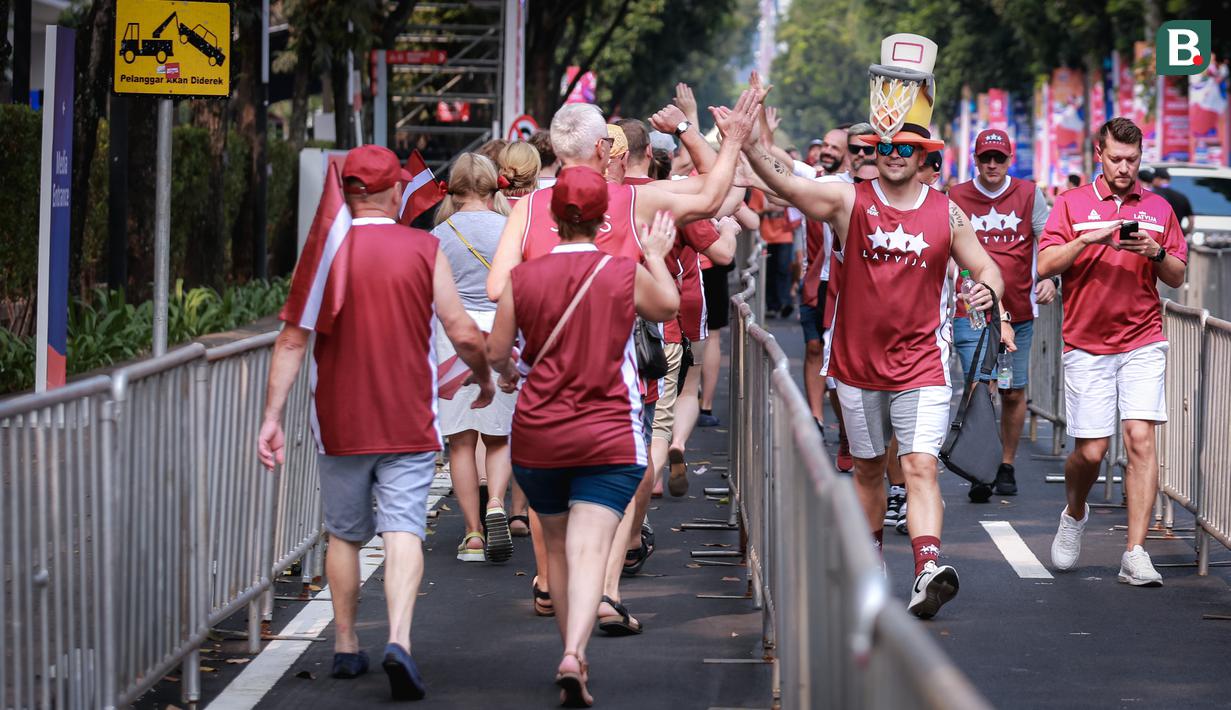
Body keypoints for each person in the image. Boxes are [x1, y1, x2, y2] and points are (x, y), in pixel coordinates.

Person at [737, 79, 1008, 618]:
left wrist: (987, 288)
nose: (890, 155)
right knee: (865, 469)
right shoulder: (847, 199)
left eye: (903, 147)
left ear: (922, 154)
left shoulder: (946, 212)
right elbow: (788, 188)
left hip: (924, 364)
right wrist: (747, 144)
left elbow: (988, 266)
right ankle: (872, 563)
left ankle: (927, 567)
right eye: (882, 147)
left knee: (919, 466)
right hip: (857, 365)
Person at [488, 97, 755, 633]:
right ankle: (604, 594)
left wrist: (544, 286)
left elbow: (498, 287)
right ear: (602, 148)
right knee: (609, 486)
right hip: (616, 370)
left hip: (544, 373)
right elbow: (712, 195)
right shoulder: (633, 201)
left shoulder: (531, 208)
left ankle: (546, 582)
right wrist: (729, 140)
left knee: (549, 495)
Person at [258, 144, 494, 698]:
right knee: (403, 530)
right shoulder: (422, 247)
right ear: (394, 192)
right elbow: (460, 330)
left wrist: (271, 416)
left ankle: (344, 644)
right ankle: (400, 641)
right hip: (407, 414)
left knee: (343, 534)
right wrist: (483, 376)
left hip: (338, 417)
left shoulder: (325, 253)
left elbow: (293, 340)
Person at [486, 165, 681, 707]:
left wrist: (505, 374)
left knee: (557, 547)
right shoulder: (622, 272)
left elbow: (499, 353)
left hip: (539, 434)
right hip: (607, 433)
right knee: (591, 545)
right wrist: (659, 256)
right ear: (602, 220)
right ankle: (576, 652)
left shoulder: (522, 281)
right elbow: (666, 307)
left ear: (551, 217)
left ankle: (566, 649)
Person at [1038, 117, 1188, 586]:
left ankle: (1135, 552)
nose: (1125, 168)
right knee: (1091, 451)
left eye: (1133, 160)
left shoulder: (1159, 207)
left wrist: (1154, 251)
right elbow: (1044, 264)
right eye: (1116, 159)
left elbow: (1178, 276)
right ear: (1098, 156)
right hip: (1086, 341)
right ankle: (1074, 512)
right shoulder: (1072, 203)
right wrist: (1088, 237)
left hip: (1143, 338)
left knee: (1140, 440)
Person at [948, 129, 1056, 502]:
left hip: (1020, 313)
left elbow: (1049, 241)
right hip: (972, 312)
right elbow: (946, 249)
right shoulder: (957, 196)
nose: (991, 165)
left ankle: (1006, 463)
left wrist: (1050, 278)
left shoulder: (1028, 194)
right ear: (975, 160)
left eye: (999, 158)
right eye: (985, 158)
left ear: (1009, 160)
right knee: (979, 388)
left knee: (1011, 391)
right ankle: (981, 466)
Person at [429, 153, 518, 564]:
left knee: (461, 441)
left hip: (453, 338)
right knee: (498, 436)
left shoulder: (440, 234)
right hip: (501, 331)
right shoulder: (510, 227)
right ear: (491, 185)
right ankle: (497, 501)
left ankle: (472, 533)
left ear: (454, 186)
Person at [1150, 167, 1194, 235]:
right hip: (1175, 236)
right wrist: (1184, 233)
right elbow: (1191, 221)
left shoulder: (1152, 196)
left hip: (1157, 236)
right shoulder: (1182, 197)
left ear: (1157, 179)